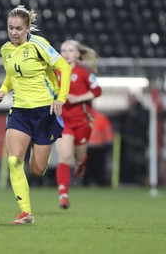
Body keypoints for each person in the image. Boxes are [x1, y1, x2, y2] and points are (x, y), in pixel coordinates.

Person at [0, 5, 71, 224]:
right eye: (10, 28)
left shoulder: (39, 45)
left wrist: (60, 99)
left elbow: (64, 68)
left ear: (28, 28)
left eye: (18, 28)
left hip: (44, 111)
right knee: (13, 161)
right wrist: (3, 89)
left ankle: (38, 153)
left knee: (37, 170)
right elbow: (11, 75)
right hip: (19, 111)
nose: (14, 32)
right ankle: (25, 212)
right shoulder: (5, 50)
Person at [55, 40, 102, 209]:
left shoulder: (84, 72)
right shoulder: (55, 71)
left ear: (77, 54)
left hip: (82, 120)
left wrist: (77, 98)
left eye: (70, 50)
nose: (66, 53)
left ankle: (81, 164)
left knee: (79, 157)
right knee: (65, 156)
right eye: (63, 50)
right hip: (62, 120)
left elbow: (97, 91)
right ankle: (63, 196)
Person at [119, 92, 149, 185]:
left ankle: (139, 181)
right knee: (129, 163)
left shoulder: (142, 112)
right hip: (129, 142)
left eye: (131, 99)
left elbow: (142, 127)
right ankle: (131, 181)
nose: (130, 101)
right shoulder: (127, 112)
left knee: (138, 163)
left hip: (138, 143)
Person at [84, 110, 114, 186]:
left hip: (98, 148)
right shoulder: (83, 117)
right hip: (87, 148)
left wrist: (109, 144)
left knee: (98, 168)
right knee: (86, 169)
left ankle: (98, 183)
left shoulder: (100, 117)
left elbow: (108, 132)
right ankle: (87, 183)